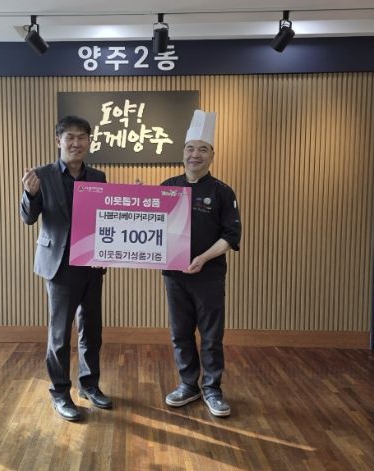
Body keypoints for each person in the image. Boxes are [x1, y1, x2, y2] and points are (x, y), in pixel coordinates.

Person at [20, 115, 112, 422]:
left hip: (91, 263)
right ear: (58, 140)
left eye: (81, 137)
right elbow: (28, 218)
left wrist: (131, 201)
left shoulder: (98, 176)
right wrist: (30, 195)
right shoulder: (41, 175)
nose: (76, 143)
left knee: (92, 329)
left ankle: (89, 385)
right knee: (59, 334)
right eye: (69, 137)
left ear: (89, 141)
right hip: (59, 265)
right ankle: (60, 392)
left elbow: (107, 217)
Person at [161, 110, 241, 417]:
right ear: (183, 153)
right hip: (174, 275)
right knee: (180, 333)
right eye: (191, 148)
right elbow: (152, 225)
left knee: (211, 335)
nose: (196, 154)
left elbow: (231, 236)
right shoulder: (168, 186)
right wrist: (140, 197)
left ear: (212, 155)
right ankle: (188, 385)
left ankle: (212, 388)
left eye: (203, 149)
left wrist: (203, 258)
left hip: (209, 274)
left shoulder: (222, 192)